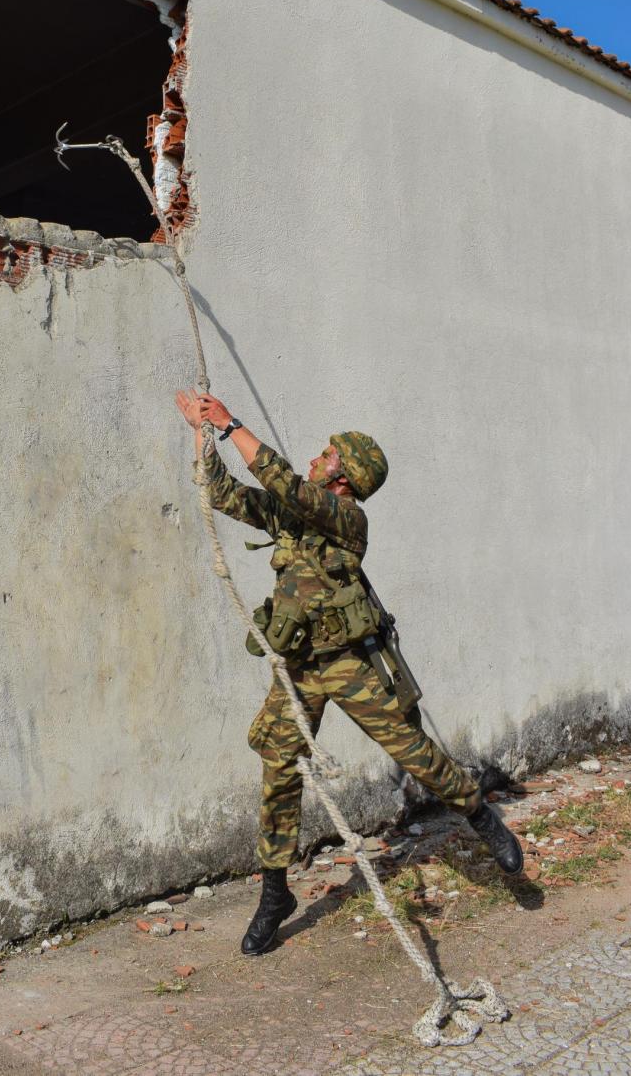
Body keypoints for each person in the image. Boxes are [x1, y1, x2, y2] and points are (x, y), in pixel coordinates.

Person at [174, 388, 523, 956]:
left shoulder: (346, 518)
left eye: (326, 454)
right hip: (299, 667)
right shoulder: (295, 511)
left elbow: (282, 479)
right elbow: (221, 494)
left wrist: (230, 423)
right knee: (278, 765)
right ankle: (275, 892)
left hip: (346, 664)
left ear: (345, 477)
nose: (316, 457)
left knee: (412, 749)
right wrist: (199, 431)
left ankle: (478, 813)